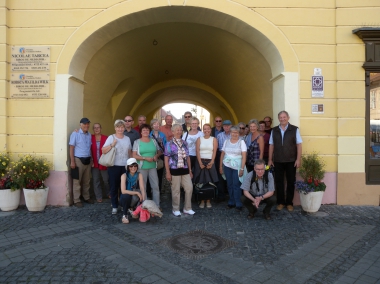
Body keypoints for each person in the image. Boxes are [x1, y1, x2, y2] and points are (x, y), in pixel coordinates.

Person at [268, 111, 302, 212]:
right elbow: (271, 145)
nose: (282, 119)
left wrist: (298, 159)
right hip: (278, 160)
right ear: (278, 119)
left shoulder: (294, 129)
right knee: (279, 182)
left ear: (288, 117)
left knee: (291, 182)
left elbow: (299, 145)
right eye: (280, 117)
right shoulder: (274, 130)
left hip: (291, 160)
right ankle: (281, 202)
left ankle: (289, 203)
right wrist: (270, 159)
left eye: (284, 117)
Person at [102, 119, 132, 214]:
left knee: (124, 187)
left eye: (122, 127)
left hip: (125, 166)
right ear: (115, 128)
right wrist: (112, 145)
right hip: (114, 166)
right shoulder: (111, 137)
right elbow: (103, 150)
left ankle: (123, 205)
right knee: (114, 186)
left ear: (124, 128)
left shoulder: (127, 139)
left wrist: (131, 164)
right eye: (118, 127)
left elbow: (129, 152)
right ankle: (114, 205)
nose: (120, 129)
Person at [164, 124, 194, 216]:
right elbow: (166, 158)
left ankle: (187, 208)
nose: (179, 132)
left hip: (185, 169)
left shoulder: (185, 143)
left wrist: (190, 170)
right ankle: (175, 209)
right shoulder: (169, 144)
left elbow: (188, 157)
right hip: (174, 170)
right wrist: (168, 172)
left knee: (189, 188)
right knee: (176, 190)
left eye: (180, 130)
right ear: (173, 132)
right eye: (177, 130)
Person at [133, 124, 162, 208]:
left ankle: (157, 205)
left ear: (149, 131)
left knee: (155, 186)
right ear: (141, 132)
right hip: (142, 167)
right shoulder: (137, 142)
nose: (145, 131)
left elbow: (159, 151)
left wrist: (157, 156)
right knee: (143, 187)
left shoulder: (153, 141)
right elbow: (134, 155)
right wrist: (145, 158)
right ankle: (144, 205)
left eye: (147, 130)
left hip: (153, 167)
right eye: (144, 130)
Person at [219, 125, 247, 211]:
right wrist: (220, 166)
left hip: (237, 166)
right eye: (233, 132)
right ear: (230, 133)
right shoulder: (226, 141)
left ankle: (238, 202)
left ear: (238, 133)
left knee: (236, 184)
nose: (234, 134)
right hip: (227, 165)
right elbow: (222, 154)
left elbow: (244, 156)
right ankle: (231, 201)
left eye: (236, 132)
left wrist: (242, 168)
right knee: (229, 184)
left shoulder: (241, 142)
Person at [69, 117, 94, 207]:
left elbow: (89, 148)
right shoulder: (75, 134)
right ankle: (76, 200)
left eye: (87, 124)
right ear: (80, 125)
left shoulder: (89, 135)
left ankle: (86, 197)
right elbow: (71, 148)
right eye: (84, 124)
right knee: (77, 181)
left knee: (86, 181)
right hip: (78, 160)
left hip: (87, 159)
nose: (86, 125)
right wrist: (72, 161)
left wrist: (92, 159)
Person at [193, 123, 218, 208]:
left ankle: (208, 200)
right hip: (200, 162)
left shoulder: (214, 139)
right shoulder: (199, 139)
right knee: (200, 182)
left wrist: (212, 162)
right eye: (205, 129)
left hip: (210, 162)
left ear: (211, 130)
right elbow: (197, 151)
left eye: (208, 129)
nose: (206, 130)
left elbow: (214, 151)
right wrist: (200, 163)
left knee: (210, 182)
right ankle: (201, 200)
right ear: (203, 130)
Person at [119, 158, 146, 224]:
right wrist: (136, 193)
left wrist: (144, 200)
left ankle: (133, 210)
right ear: (128, 167)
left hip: (135, 198)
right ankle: (125, 215)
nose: (133, 168)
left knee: (141, 195)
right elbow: (123, 191)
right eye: (131, 166)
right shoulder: (124, 176)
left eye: (135, 166)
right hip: (126, 197)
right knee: (126, 196)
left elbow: (142, 188)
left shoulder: (139, 175)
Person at [91, 123, 110, 203]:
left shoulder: (106, 138)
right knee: (96, 180)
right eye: (95, 128)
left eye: (98, 127)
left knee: (106, 180)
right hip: (94, 162)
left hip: (104, 162)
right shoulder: (90, 137)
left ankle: (109, 193)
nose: (96, 129)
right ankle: (98, 196)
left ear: (101, 128)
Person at [215, 120, 232, 201]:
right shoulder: (219, 135)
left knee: (230, 175)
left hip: (231, 156)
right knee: (220, 175)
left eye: (228, 126)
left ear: (231, 126)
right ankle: (221, 195)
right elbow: (217, 147)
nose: (226, 127)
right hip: (221, 155)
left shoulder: (234, 135)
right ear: (223, 127)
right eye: (225, 126)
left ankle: (230, 194)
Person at [150, 119, 167, 192]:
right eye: (154, 124)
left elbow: (166, 145)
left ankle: (158, 191)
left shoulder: (162, 135)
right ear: (152, 125)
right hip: (151, 156)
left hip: (161, 156)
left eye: (158, 124)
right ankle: (151, 191)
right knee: (151, 175)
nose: (156, 125)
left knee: (160, 175)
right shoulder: (149, 134)